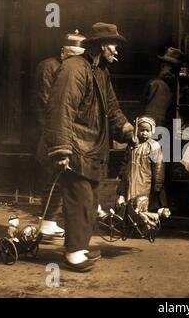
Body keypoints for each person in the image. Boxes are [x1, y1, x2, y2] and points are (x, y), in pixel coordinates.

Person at [41, 22, 135, 271]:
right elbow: (61, 109)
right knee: (79, 200)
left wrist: (126, 130)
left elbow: (112, 108)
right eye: (114, 45)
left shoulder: (100, 71)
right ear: (103, 46)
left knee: (90, 201)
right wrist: (61, 148)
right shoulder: (73, 69)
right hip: (76, 146)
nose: (117, 51)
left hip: (92, 147)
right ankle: (73, 253)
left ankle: (79, 246)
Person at [33, 30, 86, 239]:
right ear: (62, 51)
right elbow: (46, 103)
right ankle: (45, 221)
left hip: (68, 129)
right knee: (52, 176)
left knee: (62, 177)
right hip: (51, 129)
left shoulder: (76, 68)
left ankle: (50, 220)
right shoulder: (48, 67)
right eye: (71, 54)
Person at [115, 117, 168, 214]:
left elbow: (159, 166)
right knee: (128, 201)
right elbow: (125, 161)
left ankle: (142, 222)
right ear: (137, 130)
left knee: (142, 203)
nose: (144, 133)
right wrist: (121, 174)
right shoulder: (132, 145)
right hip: (130, 180)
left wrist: (158, 183)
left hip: (145, 181)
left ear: (152, 131)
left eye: (147, 130)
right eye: (141, 130)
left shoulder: (154, 146)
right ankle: (129, 221)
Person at [143, 47, 184, 127]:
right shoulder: (159, 85)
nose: (173, 73)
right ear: (162, 66)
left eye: (176, 69)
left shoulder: (162, 84)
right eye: (169, 67)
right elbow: (154, 118)